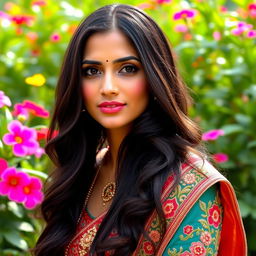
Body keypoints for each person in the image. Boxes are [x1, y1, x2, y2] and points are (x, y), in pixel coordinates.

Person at [34, 4, 247, 256]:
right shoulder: (83, 174)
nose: (108, 87)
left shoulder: (189, 187)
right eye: (92, 71)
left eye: (128, 69)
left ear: (155, 77)